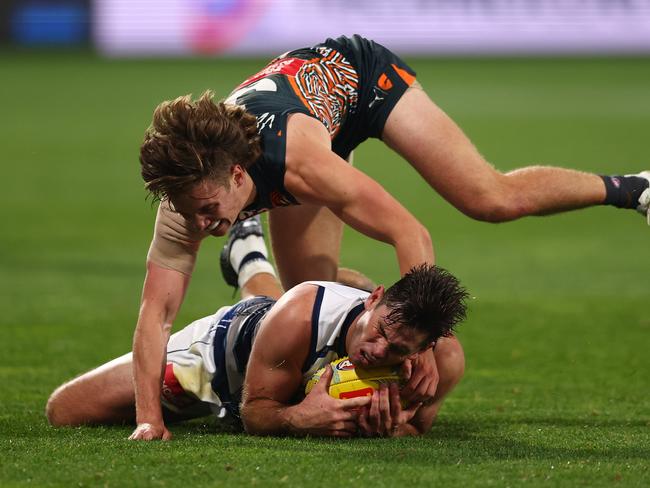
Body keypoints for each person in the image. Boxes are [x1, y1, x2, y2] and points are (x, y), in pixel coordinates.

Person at [133, 34, 650, 440]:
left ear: (239, 177)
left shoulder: (301, 165)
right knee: (303, 297)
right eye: (190, 213)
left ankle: (634, 189)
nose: (196, 223)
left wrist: (423, 341)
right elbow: (156, 315)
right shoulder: (186, 200)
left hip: (361, 81)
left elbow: (408, 231)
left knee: (490, 199)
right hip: (301, 122)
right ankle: (249, 257)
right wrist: (148, 419)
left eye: (207, 212)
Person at [46, 264, 468, 439]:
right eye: (378, 332)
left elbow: (416, 429)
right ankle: (254, 265)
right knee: (66, 411)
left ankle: (250, 260)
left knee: (288, 322)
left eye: (396, 349)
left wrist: (392, 426)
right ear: (374, 298)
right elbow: (253, 411)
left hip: (284, 341)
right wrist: (296, 417)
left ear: (424, 348)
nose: (376, 350)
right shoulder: (301, 315)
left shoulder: (438, 362)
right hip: (220, 359)